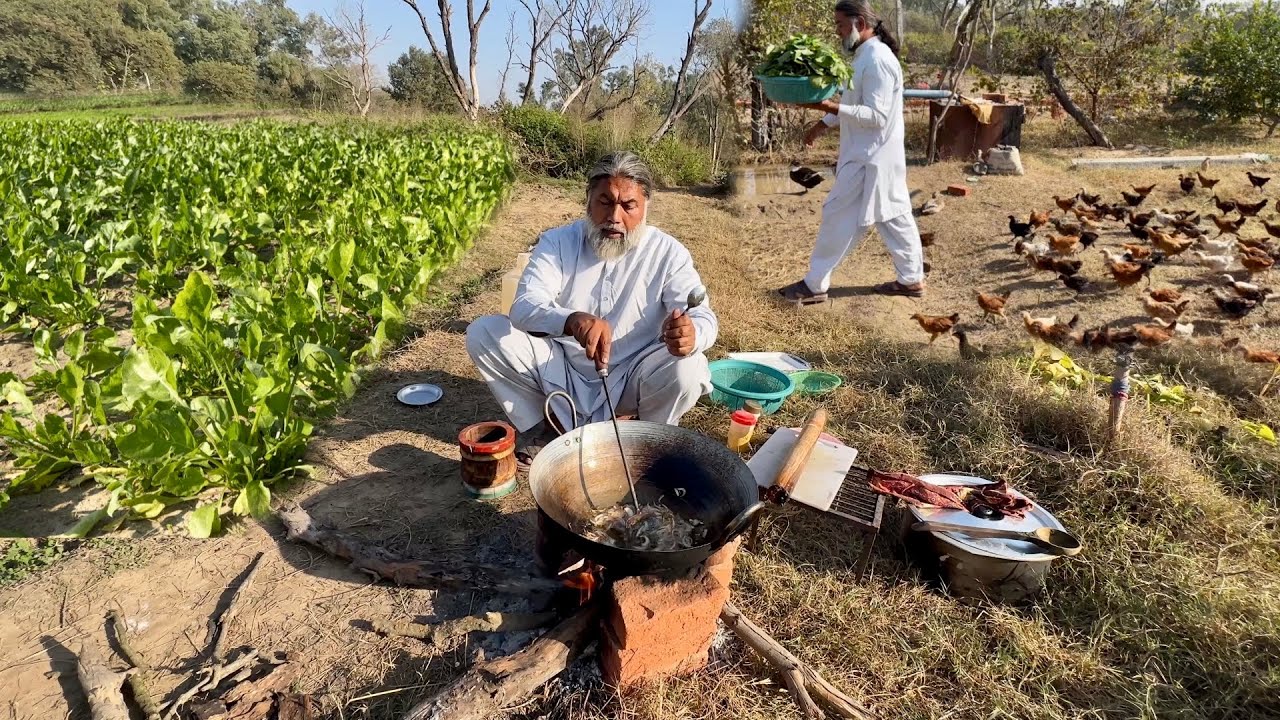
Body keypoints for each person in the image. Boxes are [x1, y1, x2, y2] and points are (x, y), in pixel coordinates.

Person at [466, 151, 718, 465]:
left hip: (632, 376)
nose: (615, 216)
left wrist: (692, 334)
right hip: (562, 369)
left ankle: (647, 441)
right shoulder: (558, 242)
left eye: (628, 206)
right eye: (605, 202)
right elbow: (525, 305)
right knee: (484, 333)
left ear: (645, 208)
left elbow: (702, 314)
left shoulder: (667, 253)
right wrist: (571, 320)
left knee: (688, 367)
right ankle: (549, 427)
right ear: (588, 201)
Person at [776, 0, 926, 304]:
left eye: (841, 25)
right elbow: (851, 102)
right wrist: (822, 124)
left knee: (838, 215)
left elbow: (876, 116)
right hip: (872, 157)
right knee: (895, 217)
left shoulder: (878, 60)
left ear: (859, 23)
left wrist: (828, 106)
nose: (838, 31)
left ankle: (814, 284)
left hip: (870, 159)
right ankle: (911, 280)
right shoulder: (863, 57)